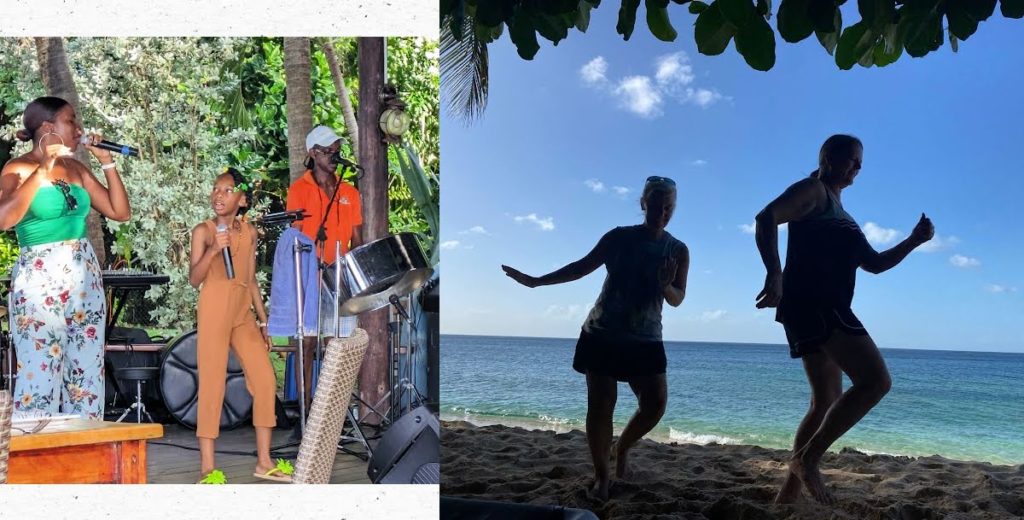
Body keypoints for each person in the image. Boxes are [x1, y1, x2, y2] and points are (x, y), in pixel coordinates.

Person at [753, 134, 934, 504]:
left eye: (860, 162)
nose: (858, 167)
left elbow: (876, 264)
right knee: (876, 381)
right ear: (828, 158)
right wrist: (774, 272)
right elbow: (767, 217)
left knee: (825, 400)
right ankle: (808, 460)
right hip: (818, 305)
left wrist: (914, 241)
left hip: (817, 307)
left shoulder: (842, 212)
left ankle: (787, 496)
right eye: (852, 159)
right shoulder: (814, 191)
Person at [501, 176, 689, 501]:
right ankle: (602, 477)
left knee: (655, 405)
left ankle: (623, 448)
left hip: (646, 339)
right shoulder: (619, 238)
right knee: (601, 407)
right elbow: (581, 267)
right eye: (656, 207)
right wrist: (536, 282)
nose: (662, 214)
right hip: (602, 333)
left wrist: (664, 284)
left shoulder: (677, 250)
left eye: (668, 208)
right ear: (643, 204)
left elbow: (677, 298)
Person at [0, 96, 130, 419]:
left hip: (83, 278)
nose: (79, 128)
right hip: (39, 282)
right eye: (71, 121)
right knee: (39, 376)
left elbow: (119, 211)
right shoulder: (17, 167)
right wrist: (43, 168)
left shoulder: (75, 167)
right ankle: (34, 465)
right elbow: (4, 218)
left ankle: (86, 463)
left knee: (86, 378)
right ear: (47, 128)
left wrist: (106, 162)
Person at [188, 167, 290, 483]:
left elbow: (251, 281)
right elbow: (194, 279)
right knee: (213, 385)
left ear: (242, 200)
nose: (219, 194)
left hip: (243, 314)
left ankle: (263, 462)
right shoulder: (203, 231)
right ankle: (207, 467)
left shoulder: (250, 233)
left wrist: (263, 321)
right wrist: (215, 250)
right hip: (215, 309)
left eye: (227, 190)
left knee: (264, 380)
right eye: (216, 189)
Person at [285, 125, 363, 410]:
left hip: (340, 281)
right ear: (312, 153)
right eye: (328, 150)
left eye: (336, 151)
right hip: (309, 277)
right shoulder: (298, 190)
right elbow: (294, 236)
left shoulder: (350, 192)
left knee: (336, 348)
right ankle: (305, 412)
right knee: (305, 344)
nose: (334, 155)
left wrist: (351, 275)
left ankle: (331, 412)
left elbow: (357, 238)